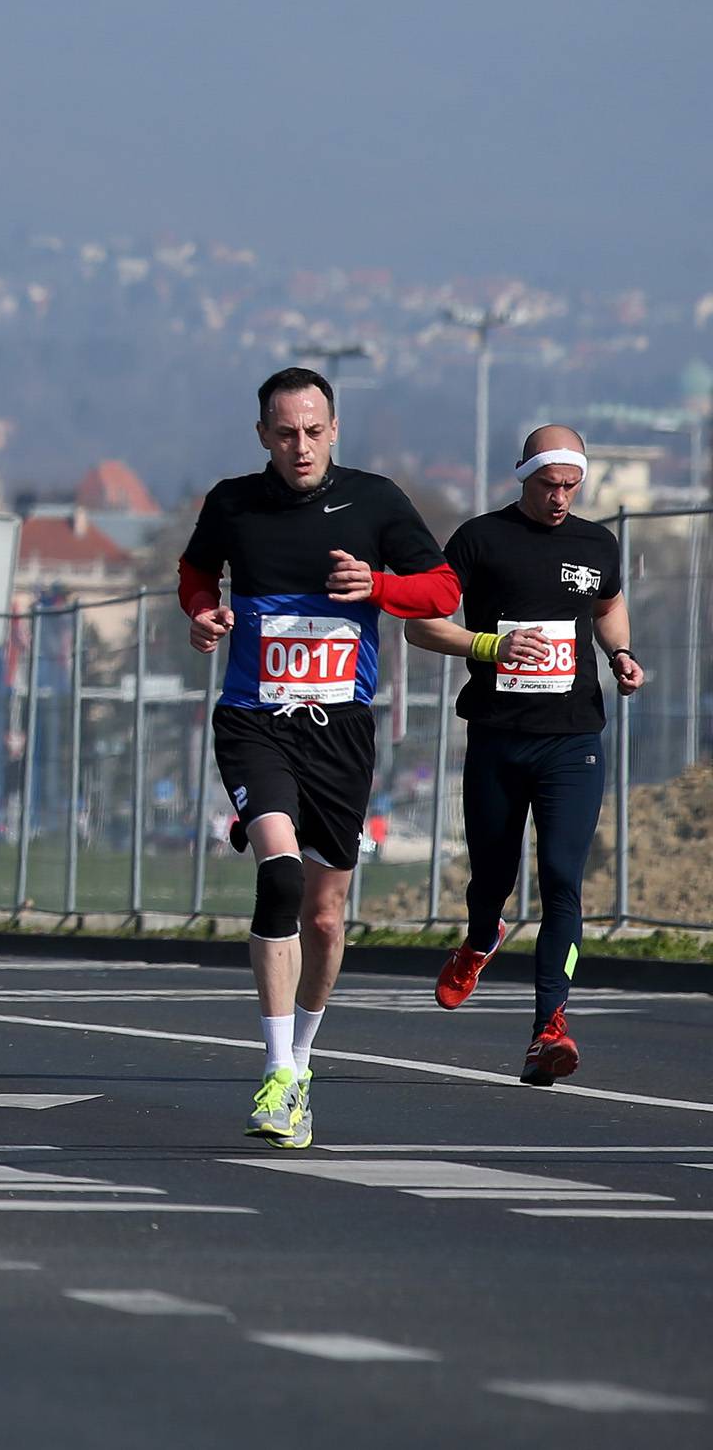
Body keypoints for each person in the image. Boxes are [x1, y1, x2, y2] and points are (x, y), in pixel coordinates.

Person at [179, 366, 458, 1147]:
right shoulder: (233, 501)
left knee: (326, 918)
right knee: (281, 873)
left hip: (340, 729)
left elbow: (442, 590)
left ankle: (300, 1064)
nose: (299, 445)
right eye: (284, 432)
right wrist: (204, 613)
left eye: (313, 431)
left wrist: (380, 583)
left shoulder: (373, 500)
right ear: (263, 434)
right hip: (254, 720)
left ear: (333, 430)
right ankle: (273, 1069)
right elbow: (197, 572)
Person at [405, 425, 644, 1085]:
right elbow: (420, 623)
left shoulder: (597, 544)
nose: (561, 497)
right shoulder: (480, 539)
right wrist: (488, 646)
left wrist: (620, 653)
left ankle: (549, 1028)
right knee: (492, 875)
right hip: (497, 737)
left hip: (571, 740)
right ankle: (482, 936)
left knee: (564, 878)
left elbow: (609, 604)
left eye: (572, 485)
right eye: (549, 484)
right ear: (524, 476)